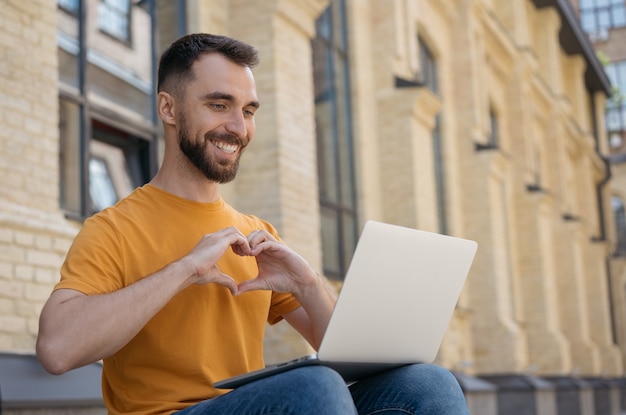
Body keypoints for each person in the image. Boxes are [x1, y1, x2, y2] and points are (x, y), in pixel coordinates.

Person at [36, 33, 469, 415]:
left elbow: (348, 354)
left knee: (427, 384)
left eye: (248, 110)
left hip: (252, 407)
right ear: (168, 108)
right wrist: (185, 269)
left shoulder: (253, 233)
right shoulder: (114, 228)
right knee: (313, 389)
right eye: (219, 105)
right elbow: (57, 350)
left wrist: (307, 283)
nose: (238, 127)